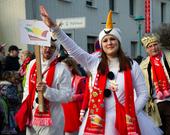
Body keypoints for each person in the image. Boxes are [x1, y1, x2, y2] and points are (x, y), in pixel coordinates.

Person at [40, 6, 163, 135]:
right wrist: (55, 28)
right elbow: (73, 49)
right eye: (105, 40)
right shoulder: (94, 62)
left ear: (119, 42)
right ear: (101, 45)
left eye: (112, 39)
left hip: (126, 120)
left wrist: (130, 113)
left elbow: (143, 93)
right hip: (97, 120)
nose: (109, 43)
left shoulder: (132, 65)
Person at [15, 38, 72, 135]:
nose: (48, 49)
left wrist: (47, 91)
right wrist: (25, 107)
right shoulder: (33, 64)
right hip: (32, 117)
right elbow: (27, 89)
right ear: (41, 46)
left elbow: (67, 96)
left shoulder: (62, 69)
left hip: (52, 120)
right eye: (45, 45)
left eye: (52, 47)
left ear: (56, 50)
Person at [62, 57, 86, 135]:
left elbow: (86, 95)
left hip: (75, 110)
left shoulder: (79, 79)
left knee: (74, 132)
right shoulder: (59, 79)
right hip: (62, 110)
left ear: (71, 67)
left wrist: (75, 97)